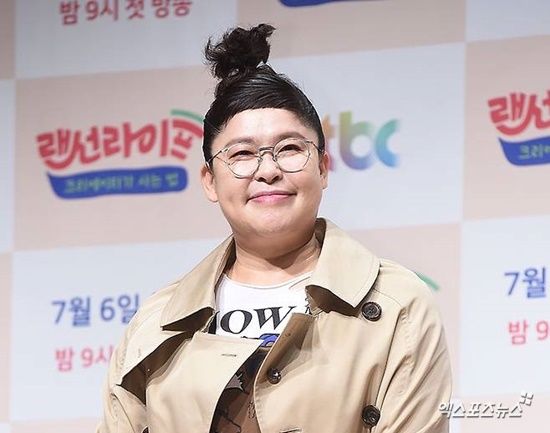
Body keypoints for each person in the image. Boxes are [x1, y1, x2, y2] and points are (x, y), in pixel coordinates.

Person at [97, 24, 452, 433]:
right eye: (242, 154)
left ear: (322, 168)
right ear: (210, 181)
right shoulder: (157, 323)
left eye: (289, 149)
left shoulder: (396, 304)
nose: (268, 170)